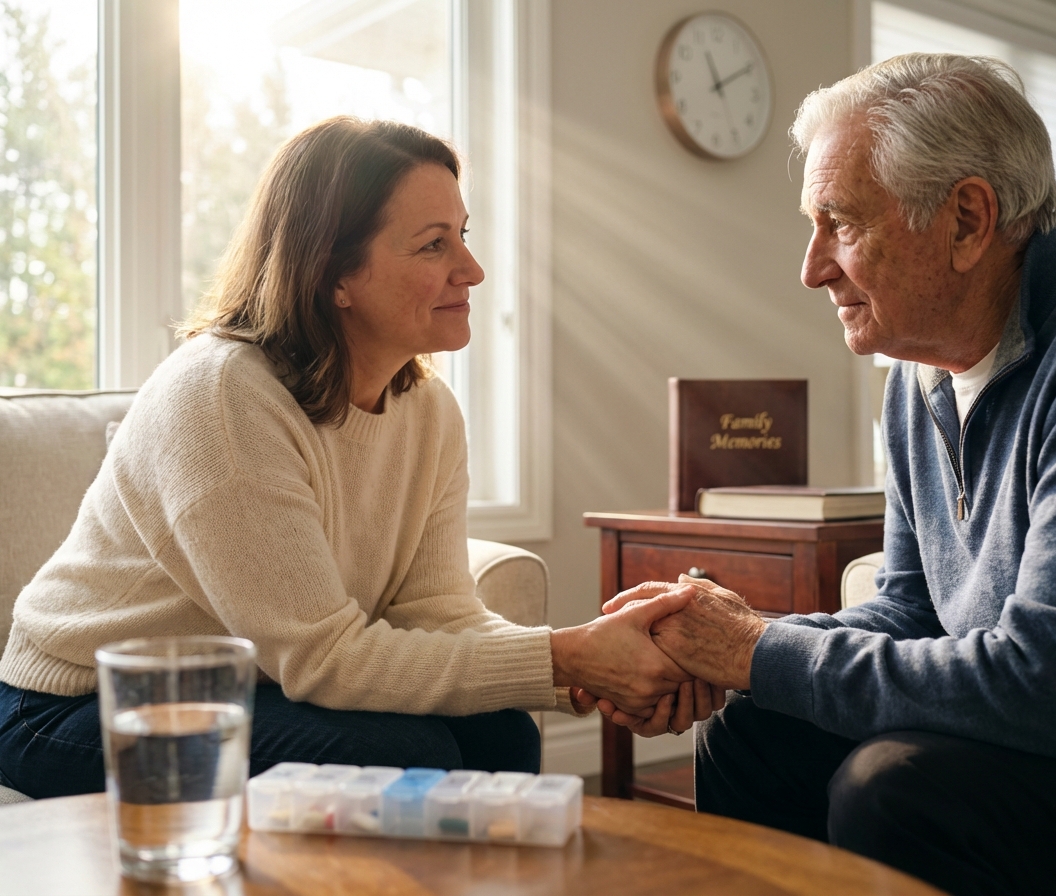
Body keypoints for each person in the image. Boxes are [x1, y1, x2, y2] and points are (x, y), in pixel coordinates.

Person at [601, 55, 1056, 896]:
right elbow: (912, 608)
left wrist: (757, 649)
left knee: (895, 790)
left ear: (966, 219)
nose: (812, 269)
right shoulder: (916, 379)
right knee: (753, 729)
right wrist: (726, 645)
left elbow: (1049, 690)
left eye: (839, 223)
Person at [0, 117, 719, 799]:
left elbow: (437, 613)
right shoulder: (223, 395)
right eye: (434, 244)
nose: (472, 269)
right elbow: (325, 659)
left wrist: (593, 670)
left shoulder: (429, 411)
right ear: (333, 274)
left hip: (251, 683)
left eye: (462, 235)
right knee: (410, 760)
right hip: (72, 707)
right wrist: (571, 657)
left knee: (498, 735)